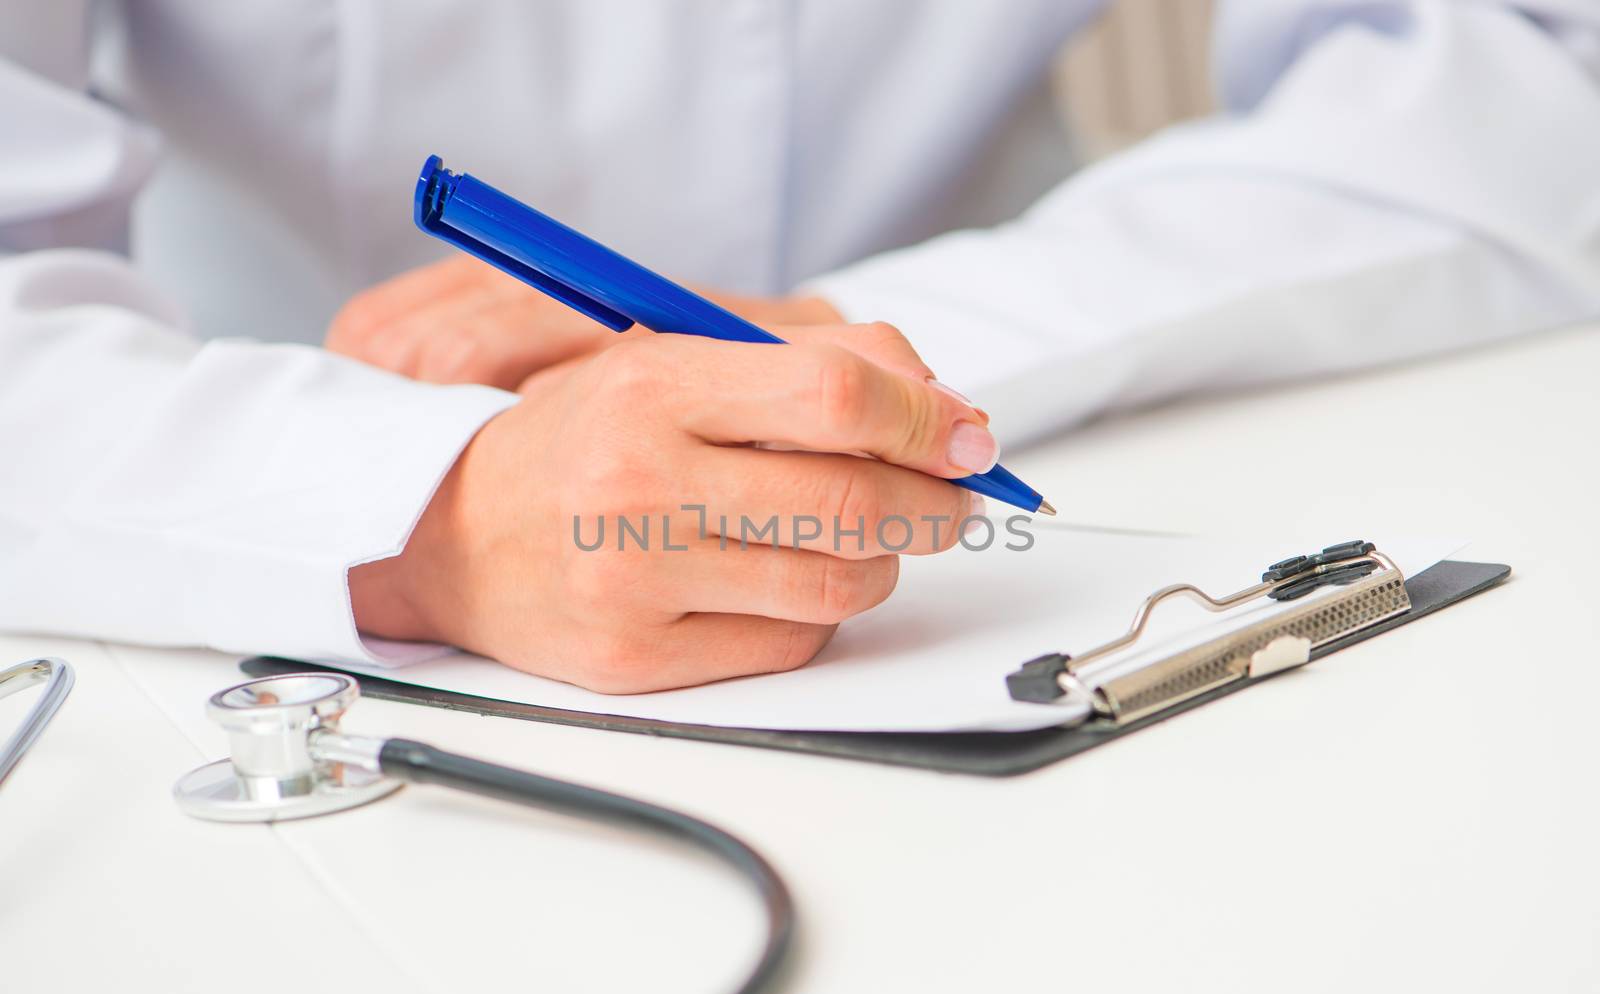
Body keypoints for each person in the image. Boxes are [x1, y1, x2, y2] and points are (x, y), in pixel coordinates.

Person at [2, 1, 1597, 692]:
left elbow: (1525, 86)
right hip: (259, 523)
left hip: (1035, 434)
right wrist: (421, 516)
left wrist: (885, 346)